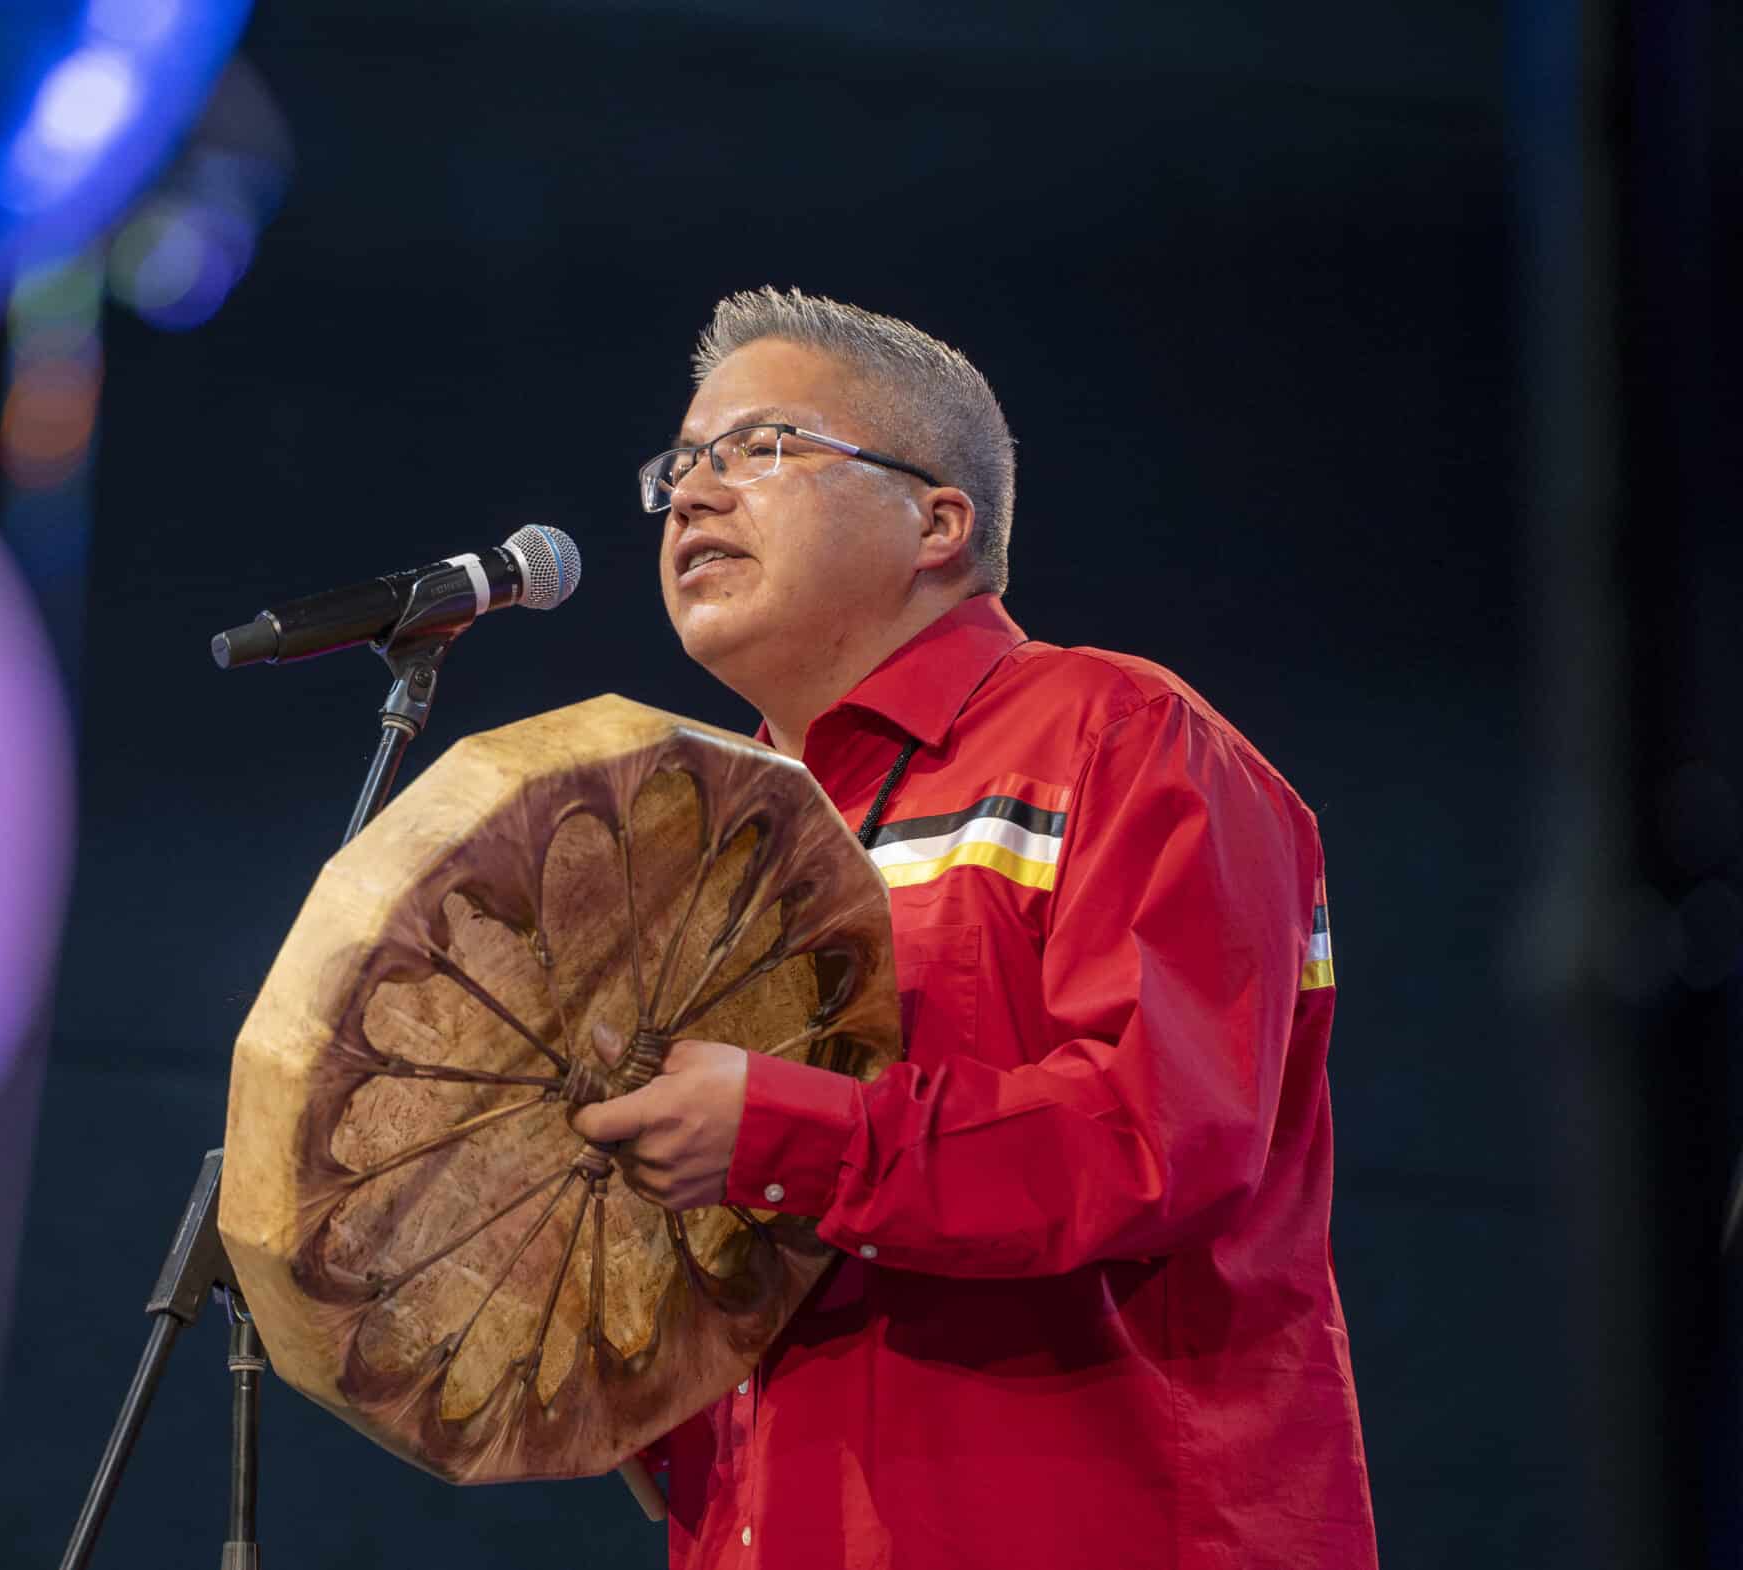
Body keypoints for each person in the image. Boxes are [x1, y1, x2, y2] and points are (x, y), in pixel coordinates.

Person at [568, 288, 1377, 1569]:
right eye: (680, 466)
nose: (693, 495)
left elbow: (1154, 1134)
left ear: (937, 521)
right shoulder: (695, 844)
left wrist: (780, 1135)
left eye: (760, 447)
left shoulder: (1118, 735)